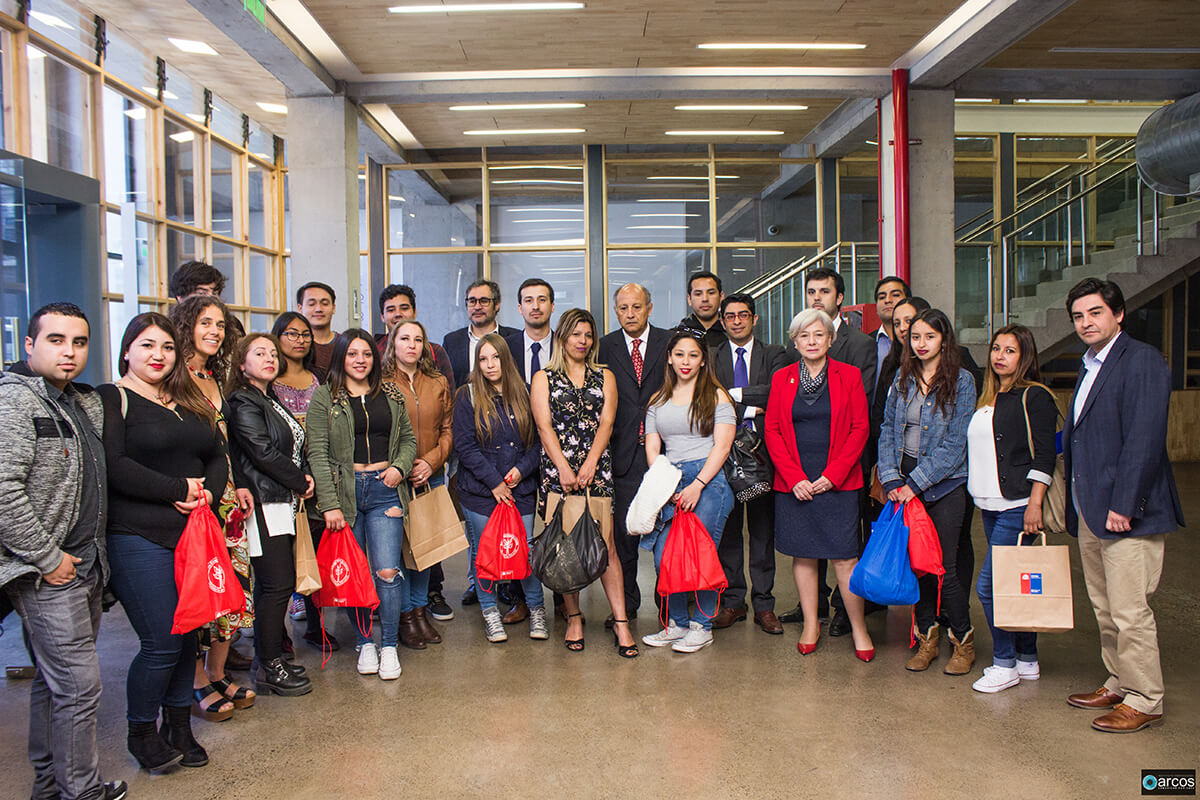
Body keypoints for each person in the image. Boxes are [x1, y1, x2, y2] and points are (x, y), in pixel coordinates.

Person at [0, 303, 128, 800]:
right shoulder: (15, 401)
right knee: (78, 687)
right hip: (46, 571)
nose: (69, 352)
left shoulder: (81, 401)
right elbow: (4, 491)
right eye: (55, 340)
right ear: (29, 345)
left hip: (85, 565)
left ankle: (51, 786)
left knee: (51, 684)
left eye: (78, 342)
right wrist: (49, 559)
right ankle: (83, 791)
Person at [99, 313, 227, 771]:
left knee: (189, 636)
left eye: (168, 347)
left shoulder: (187, 396)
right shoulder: (112, 397)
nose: (159, 355)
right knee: (160, 643)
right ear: (128, 349)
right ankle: (141, 732)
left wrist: (209, 493)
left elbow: (216, 453)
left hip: (192, 536)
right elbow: (114, 465)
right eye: (148, 345)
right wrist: (179, 490)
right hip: (137, 535)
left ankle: (178, 727)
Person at [1062, 278, 1182, 733]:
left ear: (1118, 314)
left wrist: (1125, 504)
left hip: (1126, 511)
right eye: (1078, 316)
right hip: (1092, 507)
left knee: (1131, 610)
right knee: (1105, 605)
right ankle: (1119, 681)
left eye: (1095, 313)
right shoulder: (1090, 364)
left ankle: (1146, 698)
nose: (1086, 322)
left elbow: (1145, 440)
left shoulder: (1143, 361)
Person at [307, 330, 417, 681]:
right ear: (341, 357)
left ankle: (388, 645)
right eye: (352, 353)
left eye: (366, 354)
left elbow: (408, 440)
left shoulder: (391, 393)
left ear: (375, 357)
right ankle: (364, 642)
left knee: (386, 571)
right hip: (345, 494)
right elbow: (318, 454)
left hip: (386, 489)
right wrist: (329, 504)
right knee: (354, 574)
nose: (359, 360)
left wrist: (399, 468)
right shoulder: (325, 397)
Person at [764, 308, 874, 661]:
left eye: (818, 335)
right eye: (804, 336)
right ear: (794, 342)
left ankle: (859, 627)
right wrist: (795, 478)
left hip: (838, 482)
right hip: (795, 482)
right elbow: (773, 430)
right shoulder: (782, 378)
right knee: (804, 555)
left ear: (830, 339)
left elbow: (860, 429)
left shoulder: (850, 375)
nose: (811, 342)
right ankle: (811, 623)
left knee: (845, 558)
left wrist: (833, 476)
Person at [531, 308, 638, 657]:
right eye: (576, 334)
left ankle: (621, 621)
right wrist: (563, 467)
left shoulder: (603, 375)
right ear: (562, 337)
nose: (583, 341)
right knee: (565, 547)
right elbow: (544, 427)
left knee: (605, 545)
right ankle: (573, 617)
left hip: (597, 472)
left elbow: (607, 422)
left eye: (588, 335)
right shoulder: (544, 377)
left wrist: (591, 462)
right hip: (557, 474)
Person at [169, 296, 256, 723]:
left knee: (234, 586)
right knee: (202, 592)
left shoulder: (213, 376)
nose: (215, 332)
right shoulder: (172, 376)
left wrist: (237, 486)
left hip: (226, 499)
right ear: (186, 324)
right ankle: (196, 683)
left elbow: (225, 443)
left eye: (220, 325)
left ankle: (217, 672)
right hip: (194, 499)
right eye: (206, 323)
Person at [877, 308, 976, 675]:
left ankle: (963, 642)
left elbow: (955, 444)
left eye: (928, 337)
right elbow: (888, 430)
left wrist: (913, 484)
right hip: (902, 487)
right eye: (914, 337)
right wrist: (891, 480)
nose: (920, 344)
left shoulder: (962, 381)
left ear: (944, 340)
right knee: (917, 569)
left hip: (945, 487)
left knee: (943, 569)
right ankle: (926, 641)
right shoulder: (901, 379)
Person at [967, 324, 1058, 693]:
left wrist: (1035, 503)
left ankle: (1004, 664)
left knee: (992, 587)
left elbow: (1045, 453)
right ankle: (1027, 658)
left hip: (1017, 506)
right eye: (996, 349)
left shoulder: (1034, 396)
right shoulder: (989, 395)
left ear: (1025, 357)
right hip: (988, 504)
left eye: (1010, 351)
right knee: (1015, 585)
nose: (1000, 356)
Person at [226, 333, 315, 697]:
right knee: (276, 585)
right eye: (258, 353)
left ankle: (271, 657)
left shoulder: (269, 398)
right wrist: (300, 479)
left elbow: (294, 442)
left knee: (274, 585)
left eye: (272, 353)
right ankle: (268, 666)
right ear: (242, 362)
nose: (268, 358)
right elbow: (261, 451)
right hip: (264, 502)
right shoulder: (243, 400)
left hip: (281, 500)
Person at [640, 327, 736, 654]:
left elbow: (722, 448)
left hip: (707, 481)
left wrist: (697, 485)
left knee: (700, 558)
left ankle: (702, 626)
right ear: (669, 358)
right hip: (669, 480)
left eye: (693, 355)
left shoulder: (716, 396)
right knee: (665, 556)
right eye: (679, 354)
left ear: (702, 361)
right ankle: (676, 624)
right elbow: (653, 448)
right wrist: (663, 483)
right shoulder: (658, 400)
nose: (685, 361)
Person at [795, 267, 876, 636]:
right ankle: (811, 612)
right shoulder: (789, 365)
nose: (817, 298)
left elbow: (862, 417)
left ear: (838, 297)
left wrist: (835, 472)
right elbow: (781, 423)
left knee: (846, 548)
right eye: (811, 291)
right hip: (799, 474)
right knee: (806, 548)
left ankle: (847, 613)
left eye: (824, 291)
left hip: (844, 468)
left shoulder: (859, 346)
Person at [452, 334, 544, 643]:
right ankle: (490, 613)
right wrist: (494, 482)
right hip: (480, 492)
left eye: (495, 357)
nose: (490, 365)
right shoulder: (467, 396)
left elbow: (539, 442)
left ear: (506, 359)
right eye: (483, 359)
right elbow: (465, 446)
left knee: (526, 552)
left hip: (521, 488)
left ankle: (536, 610)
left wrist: (520, 470)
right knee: (484, 555)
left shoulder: (527, 392)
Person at [708, 293, 788, 635]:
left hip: (763, 456)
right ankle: (733, 601)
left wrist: (734, 395)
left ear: (755, 319)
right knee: (728, 532)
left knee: (761, 531)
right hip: (724, 454)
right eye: (730, 316)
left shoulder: (775, 354)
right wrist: (754, 401)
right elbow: (709, 395)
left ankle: (765, 605)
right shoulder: (712, 357)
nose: (737, 321)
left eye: (743, 315)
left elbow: (778, 393)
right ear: (723, 321)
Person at [376, 285, 454, 621]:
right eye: (404, 339)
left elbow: (449, 430)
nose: (412, 345)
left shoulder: (437, 381)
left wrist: (432, 461)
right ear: (393, 343)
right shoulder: (380, 382)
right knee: (398, 552)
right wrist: (406, 465)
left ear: (425, 345)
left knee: (427, 547)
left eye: (417, 340)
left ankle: (420, 609)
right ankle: (405, 614)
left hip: (431, 476)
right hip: (395, 480)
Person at [597, 283, 669, 625]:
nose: (630, 314)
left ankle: (669, 608)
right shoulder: (604, 347)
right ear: (616, 311)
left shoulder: (668, 343)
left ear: (649, 308)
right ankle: (625, 607)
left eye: (636, 307)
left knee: (665, 538)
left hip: (664, 454)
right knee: (623, 537)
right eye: (623, 308)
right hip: (621, 455)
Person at [271, 311, 340, 651]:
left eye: (305, 335)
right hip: (277, 482)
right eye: (291, 334)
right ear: (277, 338)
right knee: (278, 564)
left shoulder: (320, 379)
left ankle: (317, 627)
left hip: (318, 479)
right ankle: (278, 635)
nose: (299, 340)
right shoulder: (267, 381)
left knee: (314, 556)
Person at [443, 279, 521, 389]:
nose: (477, 307)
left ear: (497, 304)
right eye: (472, 301)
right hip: (464, 404)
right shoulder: (451, 341)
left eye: (484, 301)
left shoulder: (515, 338)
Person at [377, 284, 454, 382]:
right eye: (391, 310)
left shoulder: (435, 352)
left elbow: (448, 394)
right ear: (382, 317)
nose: (398, 314)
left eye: (404, 308)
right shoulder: (374, 352)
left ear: (415, 312)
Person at [169, 260, 245, 339]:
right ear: (180, 298)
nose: (210, 299)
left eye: (214, 294)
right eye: (201, 293)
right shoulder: (168, 330)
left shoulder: (232, 325)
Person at [506, 277, 555, 385]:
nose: (535, 307)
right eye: (528, 300)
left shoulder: (564, 346)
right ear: (520, 308)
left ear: (552, 306)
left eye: (542, 300)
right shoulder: (506, 347)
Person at [873, 276, 910, 390]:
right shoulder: (864, 343)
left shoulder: (921, 344)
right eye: (881, 297)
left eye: (895, 295)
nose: (887, 300)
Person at [297, 282, 338, 382]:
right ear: (300, 308)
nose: (318, 309)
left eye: (324, 304)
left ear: (333, 308)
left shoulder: (345, 344)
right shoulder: (295, 345)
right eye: (311, 304)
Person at [679, 271, 727, 348]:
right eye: (698, 294)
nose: (705, 299)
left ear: (721, 297)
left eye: (711, 293)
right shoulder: (676, 336)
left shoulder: (733, 334)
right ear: (689, 299)